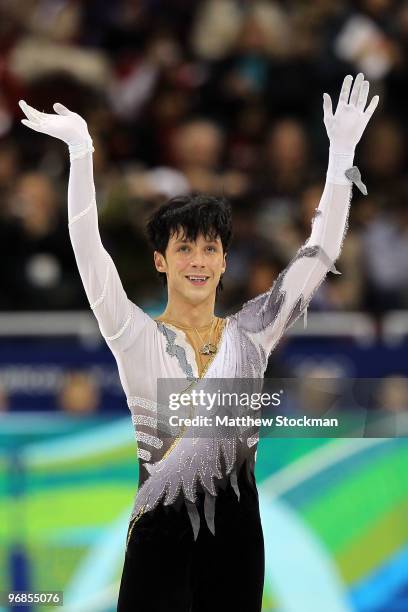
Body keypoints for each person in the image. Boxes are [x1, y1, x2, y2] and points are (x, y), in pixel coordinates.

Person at [19, 72, 378, 612]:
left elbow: (320, 250)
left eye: (210, 249)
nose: (198, 261)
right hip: (159, 541)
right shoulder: (133, 333)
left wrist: (340, 157)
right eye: (184, 249)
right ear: (161, 261)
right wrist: (81, 151)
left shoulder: (252, 331)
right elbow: (88, 248)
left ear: (224, 261)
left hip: (236, 540)